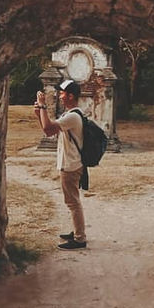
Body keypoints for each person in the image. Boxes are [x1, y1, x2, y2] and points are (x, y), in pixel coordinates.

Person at [34, 79, 87, 250]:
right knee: (72, 201)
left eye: (63, 93)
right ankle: (77, 231)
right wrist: (39, 113)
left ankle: (80, 238)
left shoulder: (72, 116)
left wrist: (43, 106)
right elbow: (49, 131)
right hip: (71, 163)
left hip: (70, 164)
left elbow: (48, 128)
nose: (60, 96)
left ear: (71, 96)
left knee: (73, 202)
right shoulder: (71, 114)